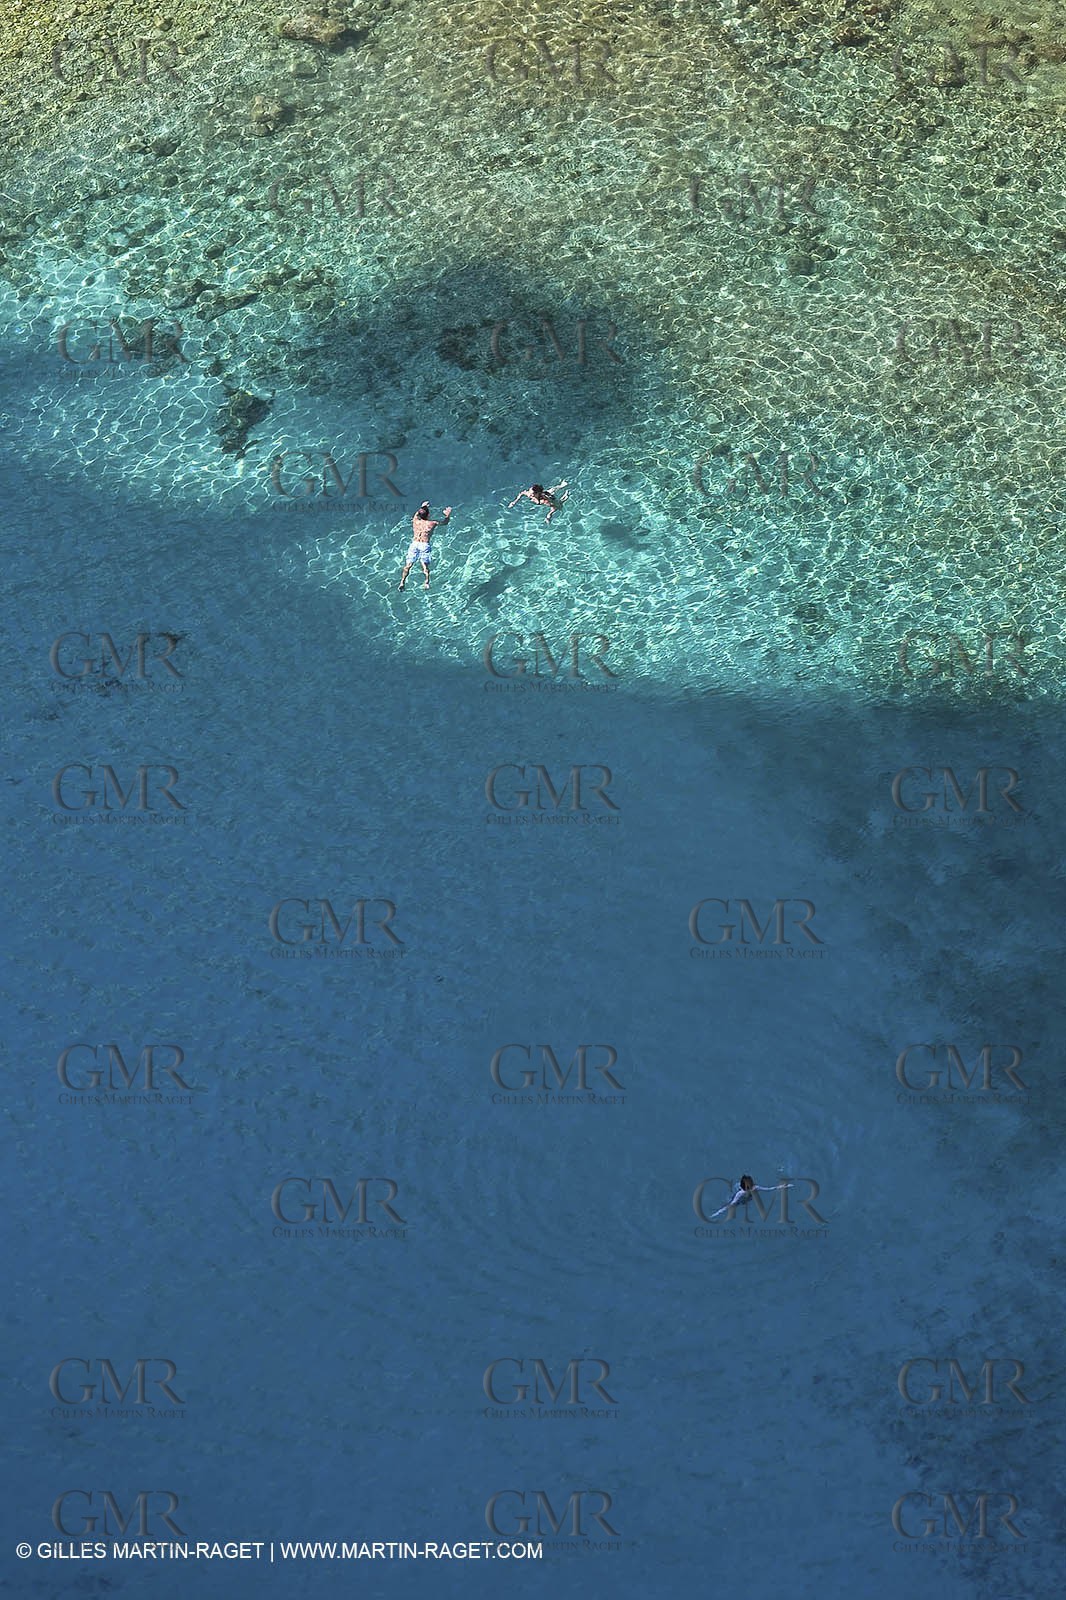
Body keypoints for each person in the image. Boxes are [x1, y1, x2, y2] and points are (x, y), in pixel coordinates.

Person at [400, 501, 451, 590]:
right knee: (425, 566)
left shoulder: (415, 521)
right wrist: (447, 515)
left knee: (408, 565)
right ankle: (426, 582)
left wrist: (422, 506)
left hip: (414, 544)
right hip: (424, 545)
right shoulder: (432, 523)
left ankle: (402, 582)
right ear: (428, 515)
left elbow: (417, 514)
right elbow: (445, 522)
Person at [705, 1175, 793, 1220]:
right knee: (734, 1205)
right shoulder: (740, 1194)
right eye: (751, 1184)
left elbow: (770, 1189)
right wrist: (717, 1213)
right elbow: (730, 1205)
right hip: (740, 1201)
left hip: (748, 1198)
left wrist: (785, 1186)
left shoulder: (755, 1187)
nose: (753, 1185)